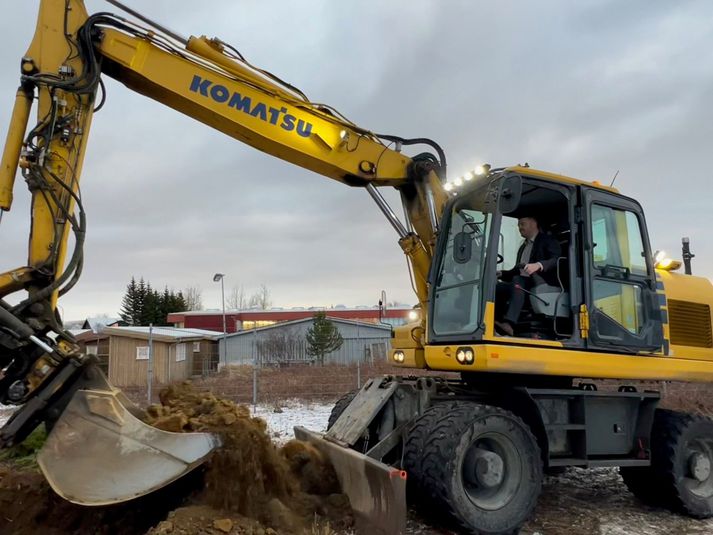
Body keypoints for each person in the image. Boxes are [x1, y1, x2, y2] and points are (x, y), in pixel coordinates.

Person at [495, 216, 561, 336]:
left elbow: (556, 260)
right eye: (518, 225)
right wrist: (502, 274)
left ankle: (510, 323)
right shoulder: (523, 247)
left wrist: (539, 265)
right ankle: (496, 321)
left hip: (542, 281)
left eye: (522, 224)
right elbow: (518, 269)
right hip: (523, 281)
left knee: (517, 280)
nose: (519, 228)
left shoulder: (547, 240)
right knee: (496, 287)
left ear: (533, 224)